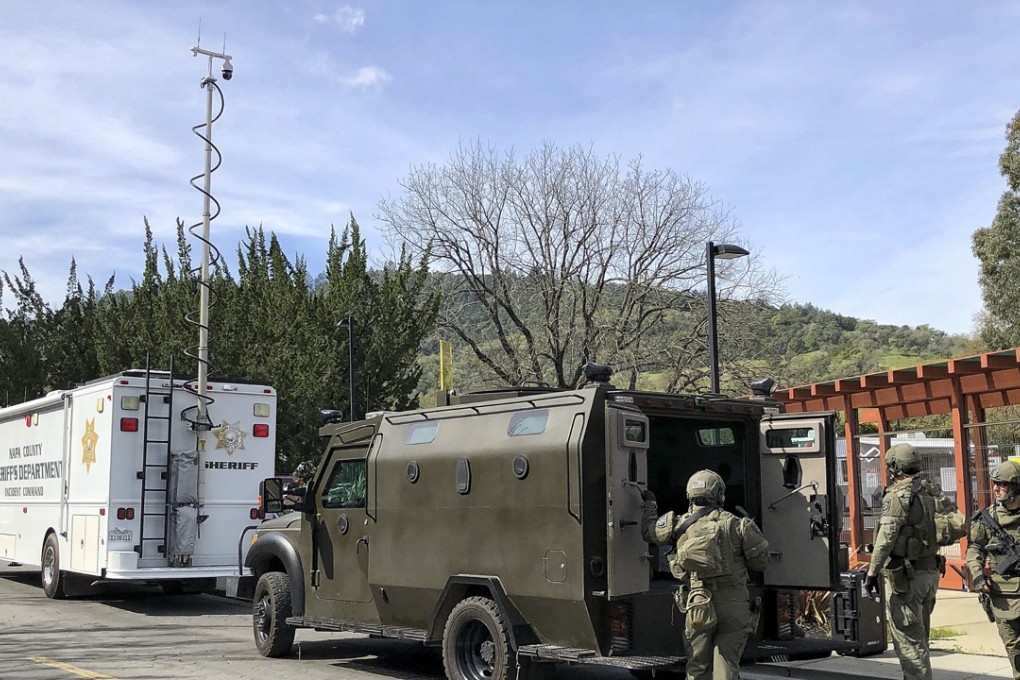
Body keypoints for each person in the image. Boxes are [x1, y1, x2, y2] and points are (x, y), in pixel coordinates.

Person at [640, 469, 769, 680]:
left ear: (690, 493)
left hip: (699, 603)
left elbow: (648, 532)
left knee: (697, 666)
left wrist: (650, 504)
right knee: (727, 665)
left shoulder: (679, 524)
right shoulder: (737, 524)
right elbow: (762, 562)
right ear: (719, 493)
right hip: (734, 604)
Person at [864, 443, 940, 680]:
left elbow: (885, 539)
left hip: (907, 579)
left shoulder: (898, 496)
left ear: (894, 467)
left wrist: (872, 572)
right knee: (920, 639)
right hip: (930, 573)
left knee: (909, 645)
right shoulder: (930, 491)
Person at [966, 460, 1020, 679]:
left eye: (1001, 484)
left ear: (1015, 487)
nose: (995, 488)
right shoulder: (987, 519)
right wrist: (978, 575)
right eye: (994, 483)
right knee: (1016, 653)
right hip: (1004, 599)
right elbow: (974, 549)